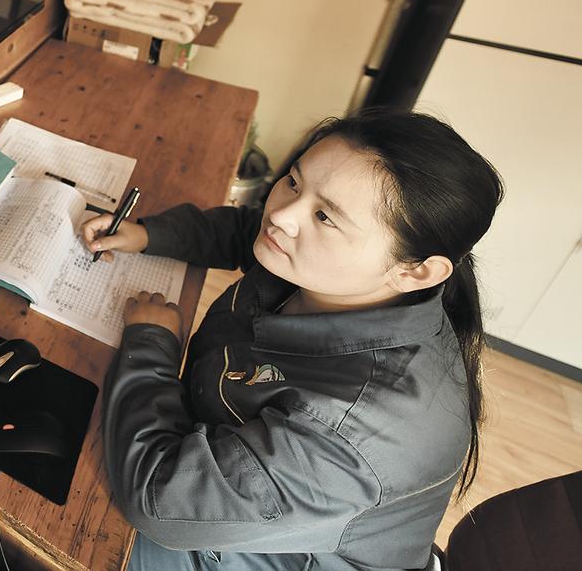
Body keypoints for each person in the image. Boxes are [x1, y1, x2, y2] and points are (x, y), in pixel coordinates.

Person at [80, 110, 501, 571]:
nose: (281, 214)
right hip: (219, 466)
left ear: (415, 271)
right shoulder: (331, 268)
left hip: (251, 551)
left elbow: (158, 500)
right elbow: (248, 231)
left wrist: (151, 346)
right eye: (295, 182)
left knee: (74, 509)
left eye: (325, 216)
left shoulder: (352, 431)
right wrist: (149, 234)